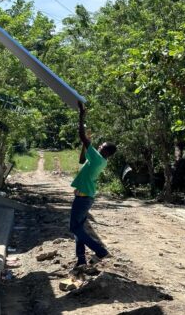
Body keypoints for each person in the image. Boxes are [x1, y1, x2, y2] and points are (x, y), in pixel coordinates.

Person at [70, 101, 117, 267]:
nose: (99, 146)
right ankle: (81, 260)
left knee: (75, 229)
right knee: (79, 229)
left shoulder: (98, 158)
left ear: (106, 152)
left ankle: (100, 251)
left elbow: (81, 135)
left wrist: (82, 115)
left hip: (83, 197)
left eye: (102, 146)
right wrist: (86, 144)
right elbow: (82, 159)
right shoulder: (98, 159)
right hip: (85, 196)